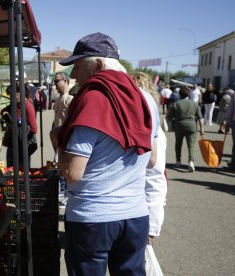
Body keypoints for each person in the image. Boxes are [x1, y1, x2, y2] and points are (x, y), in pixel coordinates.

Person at [50, 32, 159, 276]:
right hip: (136, 215)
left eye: (77, 66)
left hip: (93, 218)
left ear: (98, 65)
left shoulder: (93, 99)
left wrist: (58, 140)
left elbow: (72, 173)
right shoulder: (147, 100)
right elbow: (151, 160)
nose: (73, 75)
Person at [132, 71, 167, 245]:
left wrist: (152, 227)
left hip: (142, 215)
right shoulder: (135, 124)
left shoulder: (155, 132)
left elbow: (155, 178)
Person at [167, 86, 204, 172]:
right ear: (189, 94)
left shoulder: (175, 104)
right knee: (191, 145)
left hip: (179, 126)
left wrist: (170, 126)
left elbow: (169, 117)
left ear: (179, 94)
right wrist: (202, 129)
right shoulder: (194, 104)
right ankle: (191, 162)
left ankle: (178, 161)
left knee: (178, 144)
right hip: (192, 126)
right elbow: (200, 118)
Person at [1, 83, 38, 167]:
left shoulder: (27, 106)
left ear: (19, 93)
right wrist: (6, 116)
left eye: (11, 95)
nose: (10, 97)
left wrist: (16, 127)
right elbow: (3, 111)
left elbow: (34, 129)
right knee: (11, 169)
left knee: (22, 171)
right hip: (13, 143)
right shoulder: (15, 104)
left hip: (23, 144)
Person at [52, 72, 74, 208]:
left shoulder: (70, 99)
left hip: (66, 139)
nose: (55, 84)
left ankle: (66, 193)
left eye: (57, 81)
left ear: (65, 81)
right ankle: (63, 192)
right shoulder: (58, 100)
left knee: (66, 166)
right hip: (58, 139)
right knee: (59, 165)